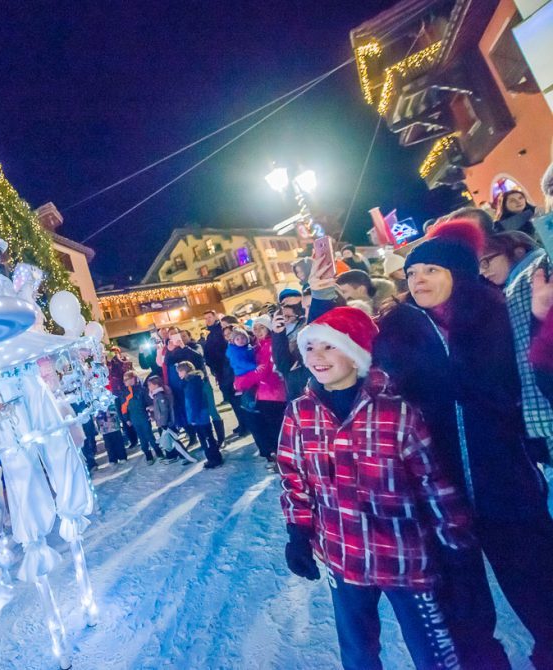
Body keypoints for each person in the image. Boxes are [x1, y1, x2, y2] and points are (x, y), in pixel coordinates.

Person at [374, 220, 553, 669]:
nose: (417, 281)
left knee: (539, 589)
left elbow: (537, 380)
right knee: (466, 613)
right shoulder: (398, 329)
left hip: (507, 481)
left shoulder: (496, 313)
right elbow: (348, 365)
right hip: (440, 494)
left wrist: (540, 320)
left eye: (429, 270)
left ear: (457, 271)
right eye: (412, 274)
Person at [278, 307, 469, 670]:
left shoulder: (396, 411)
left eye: (330, 347)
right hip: (342, 554)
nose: (317, 357)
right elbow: (293, 475)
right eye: (311, 349)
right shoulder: (300, 412)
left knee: (434, 654)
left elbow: (433, 484)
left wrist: (455, 546)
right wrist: (298, 533)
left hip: (403, 556)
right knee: (358, 654)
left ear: (356, 352)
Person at [480, 231, 553, 463]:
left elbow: (525, 357)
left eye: (487, 261)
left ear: (517, 250)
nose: (483, 271)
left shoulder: (524, 281)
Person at [234, 316, 287, 464]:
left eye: (261, 327)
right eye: (255, 328)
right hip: (263, 395)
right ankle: (277, 458)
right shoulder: (258, 346)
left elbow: (263, 372)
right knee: (268, 429)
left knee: (276, 430)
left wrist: (241, 382)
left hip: (273, 394)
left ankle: (282, 461)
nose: (257, 331)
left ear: (269, 328)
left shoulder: (269, 345)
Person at [174, 361, 223, 469]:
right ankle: (213, 458)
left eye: (179, 372)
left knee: (206, 437)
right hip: (199, 414)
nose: (179, 375)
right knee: (206, 437)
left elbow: (195, 401)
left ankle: (214, 459)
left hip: (199, 415)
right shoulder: (189, 382)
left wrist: (194, 417)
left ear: (185, 371)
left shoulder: (192, 383)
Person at [147, 375, 196, 463]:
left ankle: (185, 456)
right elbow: (159, 409)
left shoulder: (160, 395)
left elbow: (165, 410)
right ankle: (171, 456)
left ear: (156, 385)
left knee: (175, 441)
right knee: (167, 441)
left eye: (150, 385)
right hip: (162, 423)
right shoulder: (156, 395)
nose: (148, 387)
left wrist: (164, 423)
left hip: (166, 423)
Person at [121, 370, 163, 464]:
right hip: (134, 418)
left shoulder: (142, 389)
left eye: (126, 379)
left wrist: (151, 414)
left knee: (149, 435)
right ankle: (148, 455)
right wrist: (126, 418)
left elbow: (148, 402)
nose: (125, 382)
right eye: (124, 380)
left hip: (143, 416)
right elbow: (123, 407)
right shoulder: (124, 393)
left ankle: (158, 451)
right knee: (141, 437)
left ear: (132, 379)